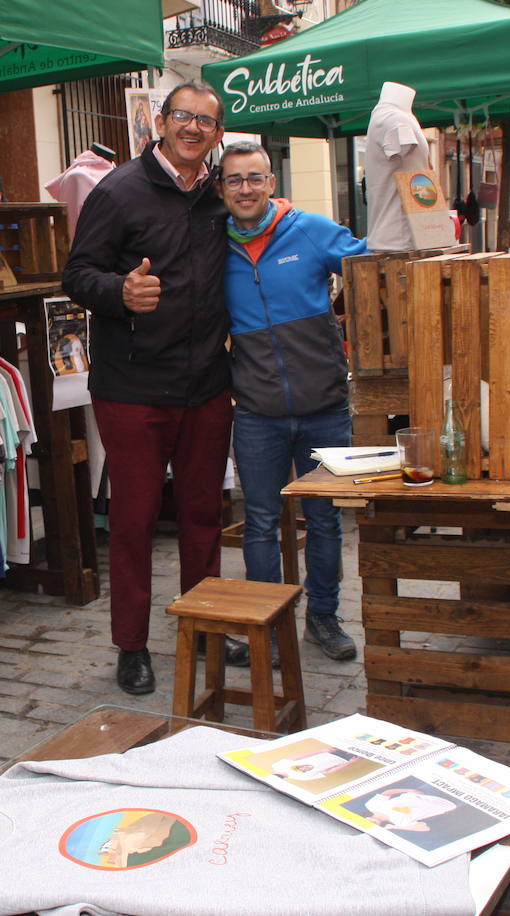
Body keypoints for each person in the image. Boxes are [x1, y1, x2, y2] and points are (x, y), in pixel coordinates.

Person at [63, 81, 232, 695]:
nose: (194, 128)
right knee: (133, 521)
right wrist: (120, 294)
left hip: (208, 384)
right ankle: (131, 645)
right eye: (184, 116)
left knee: (202, 515)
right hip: (133, 387)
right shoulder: (120, 191)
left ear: (217, 134)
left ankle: (207, 620)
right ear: (160, 123)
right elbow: (77, 274)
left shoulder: (218, 195)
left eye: (206, 122)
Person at [219, 140, 367, 661]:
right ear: (222, 188)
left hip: (324, 404)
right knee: (259, 521)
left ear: (271, 182)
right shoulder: (214, 245)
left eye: (254, 178)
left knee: (325, 518)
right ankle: (271, 624)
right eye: (235, 180)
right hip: (257, 412)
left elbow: (373, 266)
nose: (245, 188)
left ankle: (323, 619)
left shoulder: (309, 229)